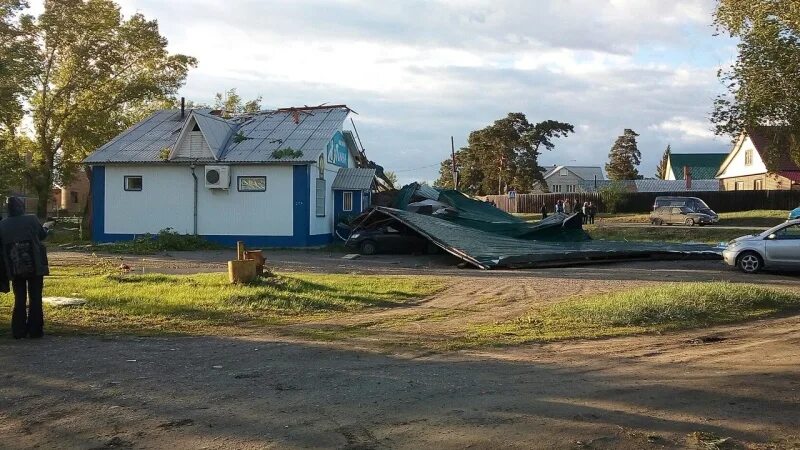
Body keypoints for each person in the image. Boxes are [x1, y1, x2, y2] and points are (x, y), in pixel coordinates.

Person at [0, 197, 51, 339]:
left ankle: (18, 331)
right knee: (35, 298)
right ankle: (35, 331)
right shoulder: (32, 219)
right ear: (21, 207)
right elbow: (42, 235)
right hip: (35, 266)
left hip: (15, 267)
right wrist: (46, 226)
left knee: (19, 299)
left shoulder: (2, 225)